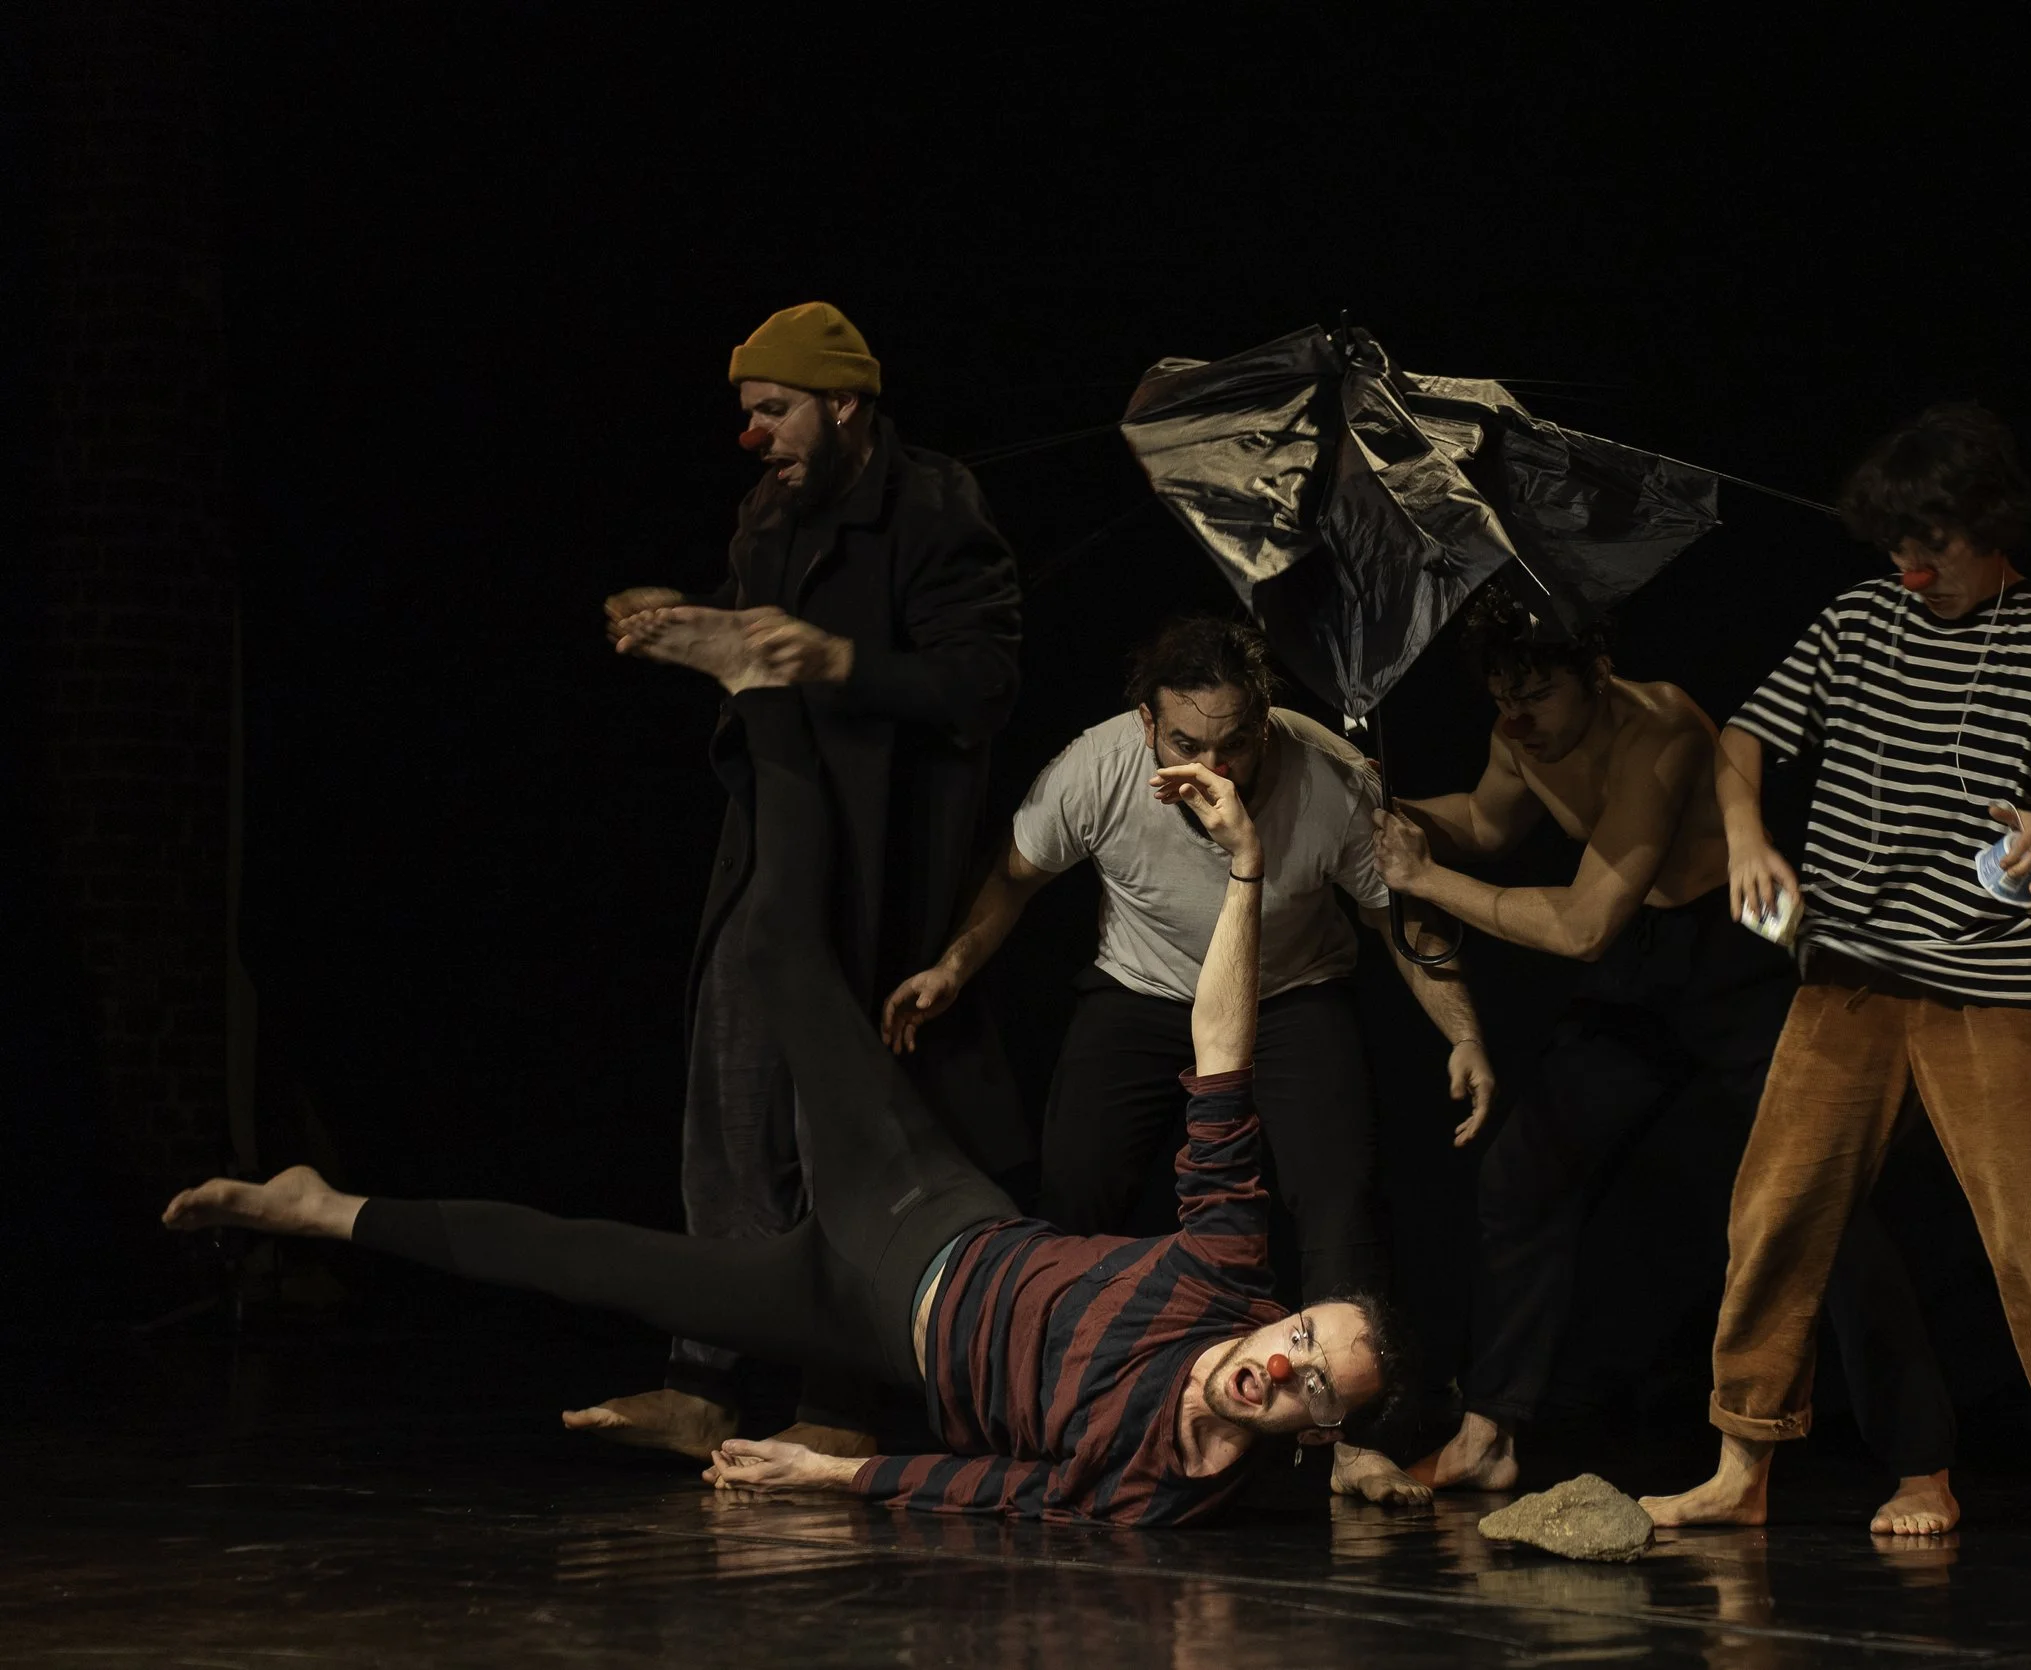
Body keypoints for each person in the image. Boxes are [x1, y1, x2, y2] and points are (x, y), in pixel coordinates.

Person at [164, 686, 1390, 1527]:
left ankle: (326, 1211)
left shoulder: (1171, 1492)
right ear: (1280, 1309)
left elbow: (1004, 1492)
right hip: (924, 1210)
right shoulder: (1224, 1270)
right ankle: (766, 697)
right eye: (1301, 1336)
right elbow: (1219, 1051)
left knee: (594, 1263)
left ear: (1313, 1426)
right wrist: (1245, 867)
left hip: (859, 1322)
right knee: (782, 964)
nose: (1280, 1366)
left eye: (1311, 1384)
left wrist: (829, 1473)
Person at [1642, 404, 2031, 1574]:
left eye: (1931, 545)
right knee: (1774, 1210)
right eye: (1895, 546)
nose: (1909, 567)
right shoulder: (1859, 616)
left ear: (1990, 527)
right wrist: (1744, 839)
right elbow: (1743, 736)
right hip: (1847, 976)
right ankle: (1742, 1462)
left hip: (1994, 981)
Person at [1373, 589, 1959, 1534]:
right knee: (1524, 1174)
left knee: (1821, 1206)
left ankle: (1922, 1466)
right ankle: (1489, 1433)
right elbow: (1486, 824)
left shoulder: (1664, 726)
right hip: (1642, 967)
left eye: (1536, 695)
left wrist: (1426, 878)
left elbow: (1582, 924)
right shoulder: (1522, 734)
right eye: (1500, 698)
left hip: (1732, 957)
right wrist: (1385, 808)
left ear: (1595, 672)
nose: (1516, 719)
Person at [879, 615, 1490, 1506]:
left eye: (1236, 741)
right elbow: (1015, 875)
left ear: (1266, 719)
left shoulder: (1332, 783)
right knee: (1077, 1183)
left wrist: (1463, 1032)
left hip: (1288, 994)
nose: (1216, 763)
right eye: (1188, 741)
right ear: (1147, 725)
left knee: (1337, 1191)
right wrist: (954, 967)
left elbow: (1401, 921)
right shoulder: (1099, 767)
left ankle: (1353, 1444)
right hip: (1142, 989)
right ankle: (1042, 1404)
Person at [580, 301, 1027, 1464]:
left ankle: (839, 1398)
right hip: (772, 838)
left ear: (843, 404)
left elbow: (979, 684)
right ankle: (703, 1381)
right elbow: (747, 657)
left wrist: (839, 660)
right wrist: (686, 632)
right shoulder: (765, 517)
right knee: (728, 1112)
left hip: (874, 863)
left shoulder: (936, 508)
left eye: (773, 410)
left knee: (838, 1133)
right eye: (747, 413)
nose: (756, 434)